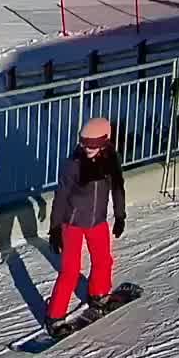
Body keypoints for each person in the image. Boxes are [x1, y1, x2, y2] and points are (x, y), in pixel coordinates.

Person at [45, 117, 127, 326]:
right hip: (72, 223)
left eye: (92, 145)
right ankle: (54, 316)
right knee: (70, 270)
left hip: (97, 221)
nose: (87, 149)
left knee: (103, 260)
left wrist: (120, 215)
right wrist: (55, 228)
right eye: (84, 144)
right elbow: (61, 197)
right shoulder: (73, 164)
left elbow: (118, 188)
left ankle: (98, 294)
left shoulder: (111, 159)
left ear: (105, 142)